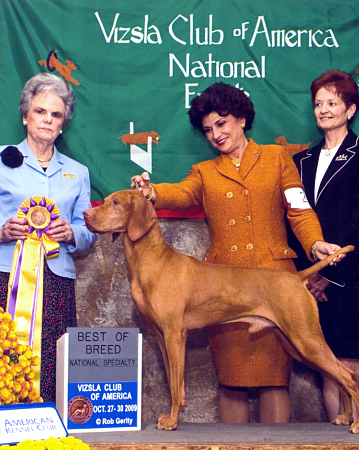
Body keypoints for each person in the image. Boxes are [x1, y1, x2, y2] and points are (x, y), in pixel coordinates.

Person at [131, 82, 343, 423]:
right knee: (232, 383)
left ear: (242, 118)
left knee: (275, 382)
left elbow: (299, 210)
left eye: (222, 122)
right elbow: (181, 194)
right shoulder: (205, 172)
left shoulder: (277, 158)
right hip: (221, 291)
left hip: (275, 282)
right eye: (208, 129)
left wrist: (315, 244)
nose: (215, 134)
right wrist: (152, 192)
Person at [0, 72, 97, 402]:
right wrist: (1, 230)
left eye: (56, 114)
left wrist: (72, 233)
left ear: (63, 123)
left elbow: (88, 233)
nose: (47, 119)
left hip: (56, 283)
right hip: (3, 279)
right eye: (40, 111)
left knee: (51, 366)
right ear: (25, 115)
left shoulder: (78, 172)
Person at [289, 70, 359, 421]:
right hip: (312, 280)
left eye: (332, 102)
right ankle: (334, 436)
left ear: (351, 109)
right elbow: (294, 220)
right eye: (318, 103)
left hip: (352, 272)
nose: (324, 109)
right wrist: (311, 274)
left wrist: (331, 273)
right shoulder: (300, 161)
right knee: (325, 362)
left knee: (350, 361)